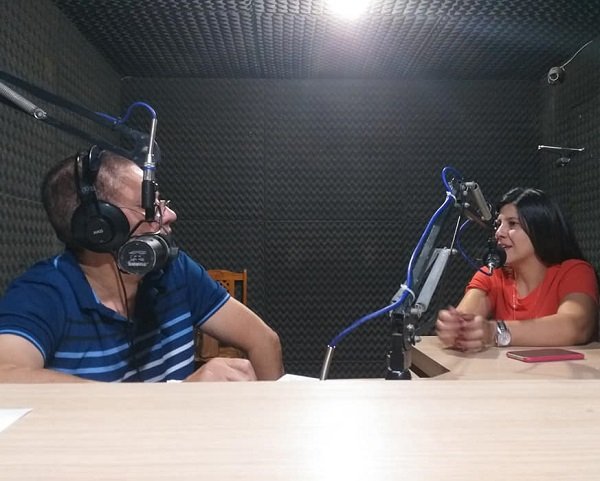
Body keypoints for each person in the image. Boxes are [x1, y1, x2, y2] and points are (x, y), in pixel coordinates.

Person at [0, 148, 284, 382]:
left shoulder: (174, 271)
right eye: (149, 207)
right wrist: (176, 398)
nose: (169, 215)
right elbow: (5, 377)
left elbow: (263, 340)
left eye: (161, 203)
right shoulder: (42, 293)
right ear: (100, 227)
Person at [436, 187, 598, 352]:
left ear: (540, 229)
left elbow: (575, 327)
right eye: (498, 224)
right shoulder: (491, 274)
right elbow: (465, 323)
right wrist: (456, 329)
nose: (499, 233)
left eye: (512, 223)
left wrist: (494, 331)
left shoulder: (574, 272)